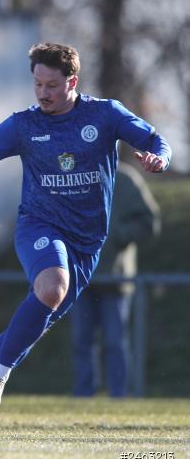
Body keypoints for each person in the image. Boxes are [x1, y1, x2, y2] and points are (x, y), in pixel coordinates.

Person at [0, 42, 171, 431]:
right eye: (37, 84)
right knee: (51, 288)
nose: (43, 93)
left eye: (51, 85)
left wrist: (159, 159)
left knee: (35, 320)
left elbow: (155, 141)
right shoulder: (24, 125)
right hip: (39, 226)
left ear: (72, 82)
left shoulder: (105, 114)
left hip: (87, 242)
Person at [71, 162, 159, 398]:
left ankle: (119, 395)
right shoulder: (78, 176)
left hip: (115, 279)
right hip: (82, 277)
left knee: (115, 342)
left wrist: (118, 234)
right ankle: (83, 395)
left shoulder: (127, 180)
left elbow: (149, 222)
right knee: (82, 342)